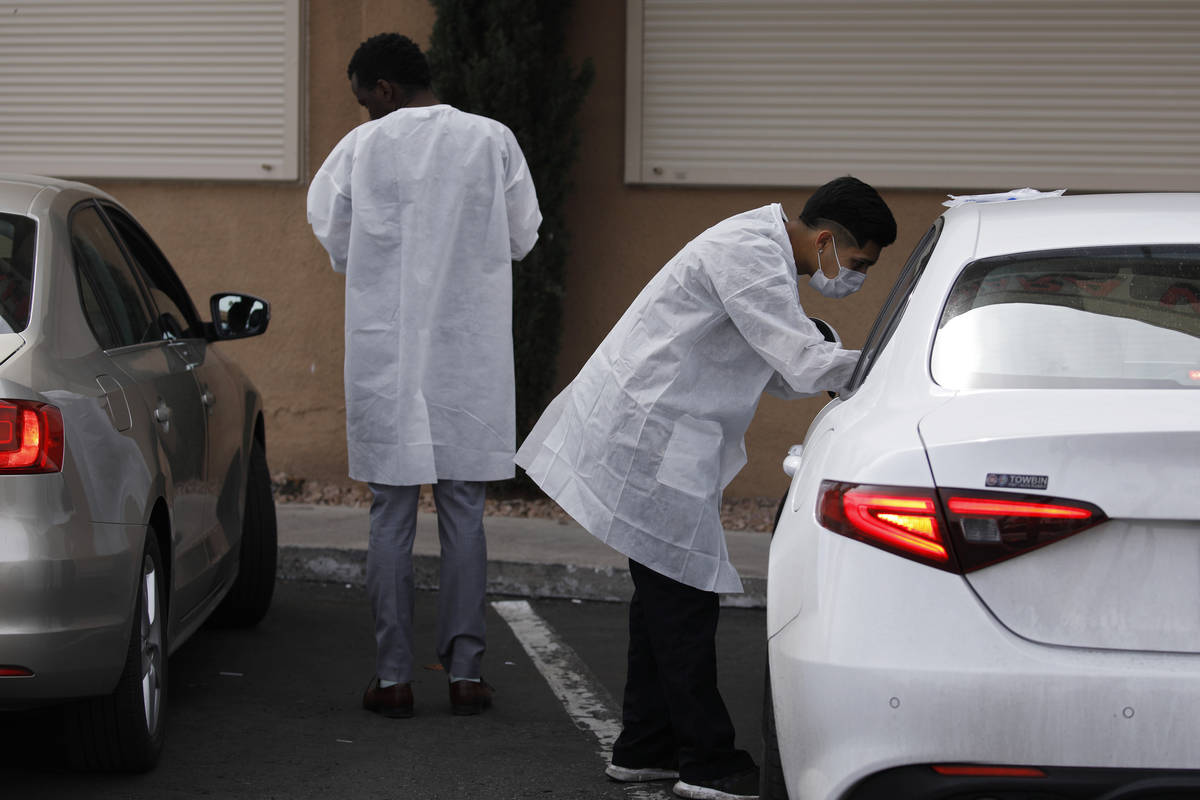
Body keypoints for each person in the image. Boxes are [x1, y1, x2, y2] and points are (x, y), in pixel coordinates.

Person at [515, 177, 896, 800]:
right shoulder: (750, 254)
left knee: (662, 595)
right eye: (857, 264)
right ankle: (707, 761)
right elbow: (798, 363)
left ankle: (644, 746)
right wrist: (890, 367)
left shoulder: (764, 255)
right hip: (652, 436)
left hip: (666, 437)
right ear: (826, 240)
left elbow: (778, 366)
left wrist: (829, 352)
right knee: (683, 599)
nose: (854, 278)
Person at [307, 33, 541, 719]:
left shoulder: (362, 148)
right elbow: (524, 236)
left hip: (387, 356)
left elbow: (332, 231)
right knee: (465, 513)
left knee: (391, 515)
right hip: (468, 357)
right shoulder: (492, 140)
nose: (364, 113)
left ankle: (393, 677)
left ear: (383, 91)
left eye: (363, 100)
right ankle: (466, 675)